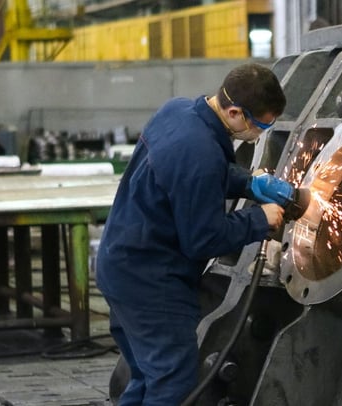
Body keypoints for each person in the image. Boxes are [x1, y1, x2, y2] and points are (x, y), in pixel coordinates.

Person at [96, 63, 286, 405]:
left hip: (120, 265)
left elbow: (191, 174)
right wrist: (259, 219)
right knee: (172, 383)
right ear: (234, 112)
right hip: (151, 282)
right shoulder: (200, 152)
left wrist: (250, 183)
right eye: (259, 126)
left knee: (145, 377)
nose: (259, 135)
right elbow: (203, 239)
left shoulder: (178, 111)